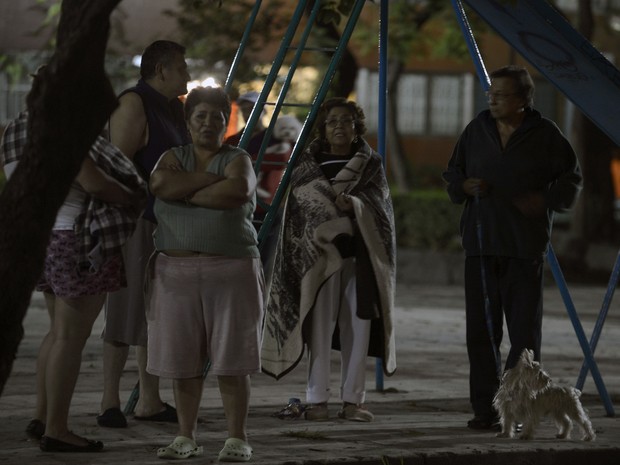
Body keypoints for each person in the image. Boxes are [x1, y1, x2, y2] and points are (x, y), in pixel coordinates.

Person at [442, 65, 583, 430]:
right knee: (482, 333)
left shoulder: (544, 134)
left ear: (523, 100)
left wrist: (546, 199)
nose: (493, 99)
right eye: (491, 93)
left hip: (524, 246)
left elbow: (571, 177)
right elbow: (452, 174)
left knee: (523, 337)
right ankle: (486, 410)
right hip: (481, 243)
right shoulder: (477, 130)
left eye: (502, 94)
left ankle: (519, 408)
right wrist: (464, 186)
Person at [0, 104, 147, 452]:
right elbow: (92, 181)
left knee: (57, 334)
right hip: (77, 240)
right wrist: (131, 195)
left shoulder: (18, 134)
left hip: (46, 237)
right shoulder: (63, 135)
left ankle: (42, 416)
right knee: (70, 340)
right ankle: (57, 429)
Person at [261, 97, 396, 422]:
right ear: (323, 128)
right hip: (318, 259)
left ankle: (354, 401)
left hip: (359, 258)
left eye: (347, 121)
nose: (340, 126)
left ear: (356, 127)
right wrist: (331, 214)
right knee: (319, 329)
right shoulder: (307, 165)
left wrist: (356, 206)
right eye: (333, 121)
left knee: (359, 326)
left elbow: (382, 210)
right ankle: (316, 399)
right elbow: (301, 209)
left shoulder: (370, 163)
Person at [147, 86, 263, 462]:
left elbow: (238, 192)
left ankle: (237, 438)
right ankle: (186, 436)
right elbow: (159, 184)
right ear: (188, 121)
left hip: (231, 268)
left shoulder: (238, 158)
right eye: (201, 116)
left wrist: (183, 191)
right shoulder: (171, 156)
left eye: (217, 116)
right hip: (175, 272)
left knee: (233, 359)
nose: (210, 123)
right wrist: (209, 184)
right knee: (182, 363)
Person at [98, 40, 191, 428]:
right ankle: (109, 402)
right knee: (125, 310)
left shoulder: (173, 108)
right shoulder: (134, 103)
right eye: (182, 67)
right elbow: (117, 164)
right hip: (137, 219)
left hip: (166, 222)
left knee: (153, 314)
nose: (187, 74)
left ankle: (149, 400)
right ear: (161, 70)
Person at [225, 91, 289, 222]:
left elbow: (282, 160)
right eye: (244, 110)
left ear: (264, 111)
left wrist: (240, 163)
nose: (248, 113)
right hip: (236, 205)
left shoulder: (277, 138)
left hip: (267, 207)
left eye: (252, 109)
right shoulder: (232, 141)